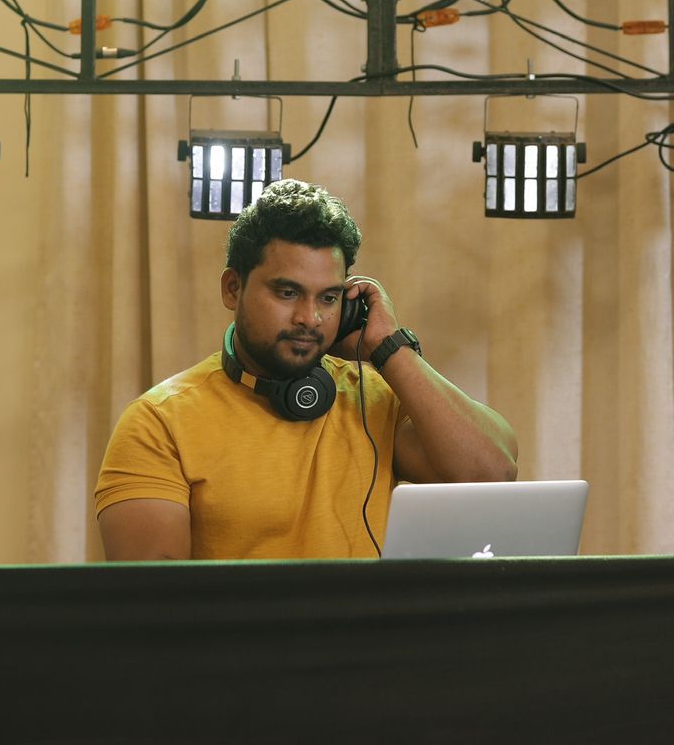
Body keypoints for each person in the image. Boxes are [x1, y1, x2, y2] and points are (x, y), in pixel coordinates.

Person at [94, 179, 518, 560]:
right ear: (232, 288)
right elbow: (154, 604)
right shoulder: (159, 422)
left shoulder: (371, 398)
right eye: (287, 292)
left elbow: (491, 475)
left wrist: (390, 348)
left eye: (328, 298)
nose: (309, 318)